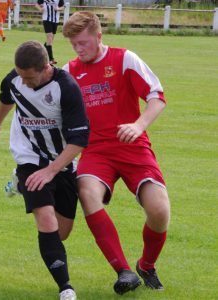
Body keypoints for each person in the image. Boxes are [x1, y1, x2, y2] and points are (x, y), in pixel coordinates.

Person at [62, 11, 171, 295]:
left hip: (133, 147)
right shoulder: (69, 72)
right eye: (74, 44)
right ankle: (123, 271)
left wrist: (138, 125)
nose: (78, 49)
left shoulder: (124, 59)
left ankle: (146, 265)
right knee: (87, 191)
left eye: (83, 42)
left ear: (99, 36)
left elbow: (157, 97)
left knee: (159, 211)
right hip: (95, 150)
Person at [0, 40, 89, 300]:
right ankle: (66, 288)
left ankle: (20, 185)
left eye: (29, 78)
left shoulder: (66, 88)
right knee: (46, 219)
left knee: (60, 234)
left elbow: (78, 141)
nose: (24, 82)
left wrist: (52, 170)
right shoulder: (15, 79)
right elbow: (5, 98)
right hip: (29, 156)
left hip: (62, 161)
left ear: (46, 67)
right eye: (20, 76)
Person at [35, 0, 64, 65]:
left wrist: (58, 9)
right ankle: (51, 59)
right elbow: (37, 4)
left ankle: (39, 53)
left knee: (50, 40)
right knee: (49, 38)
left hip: (55, 20)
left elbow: (62, 7)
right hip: (46, 19)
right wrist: (40, 9)